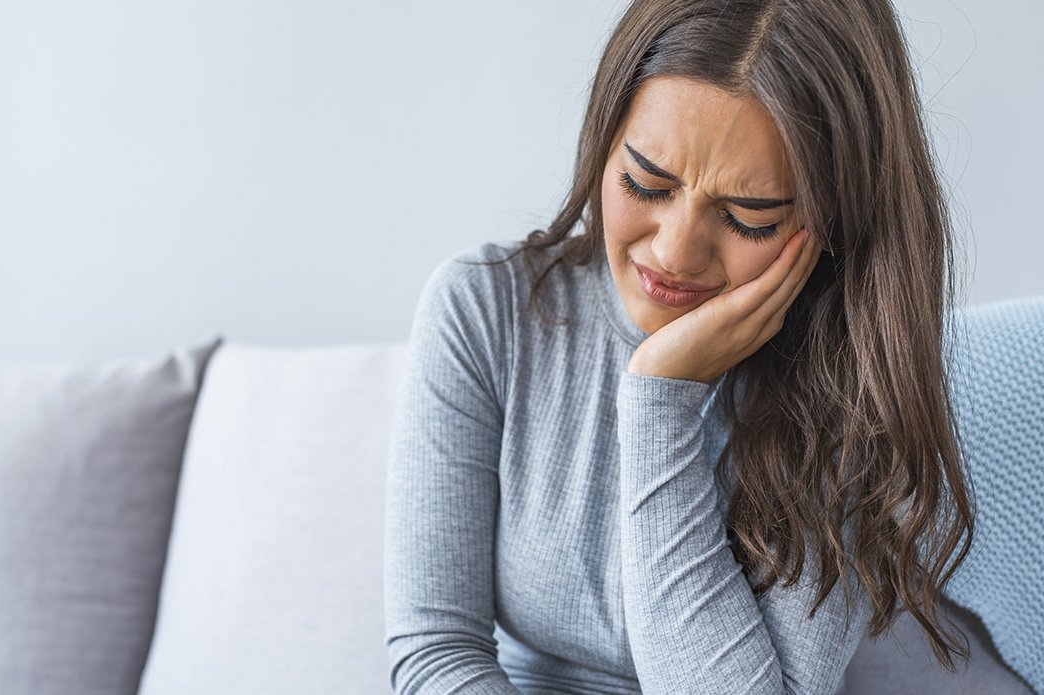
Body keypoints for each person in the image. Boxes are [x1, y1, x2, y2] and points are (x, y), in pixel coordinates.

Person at [382, 0, 977, 693]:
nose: (673, 251)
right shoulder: (485, 309)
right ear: (605, 140)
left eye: (747, 217)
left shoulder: (850, 381)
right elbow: (435, 653)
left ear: (831, 217)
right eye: (646, 182)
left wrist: (660, 399)